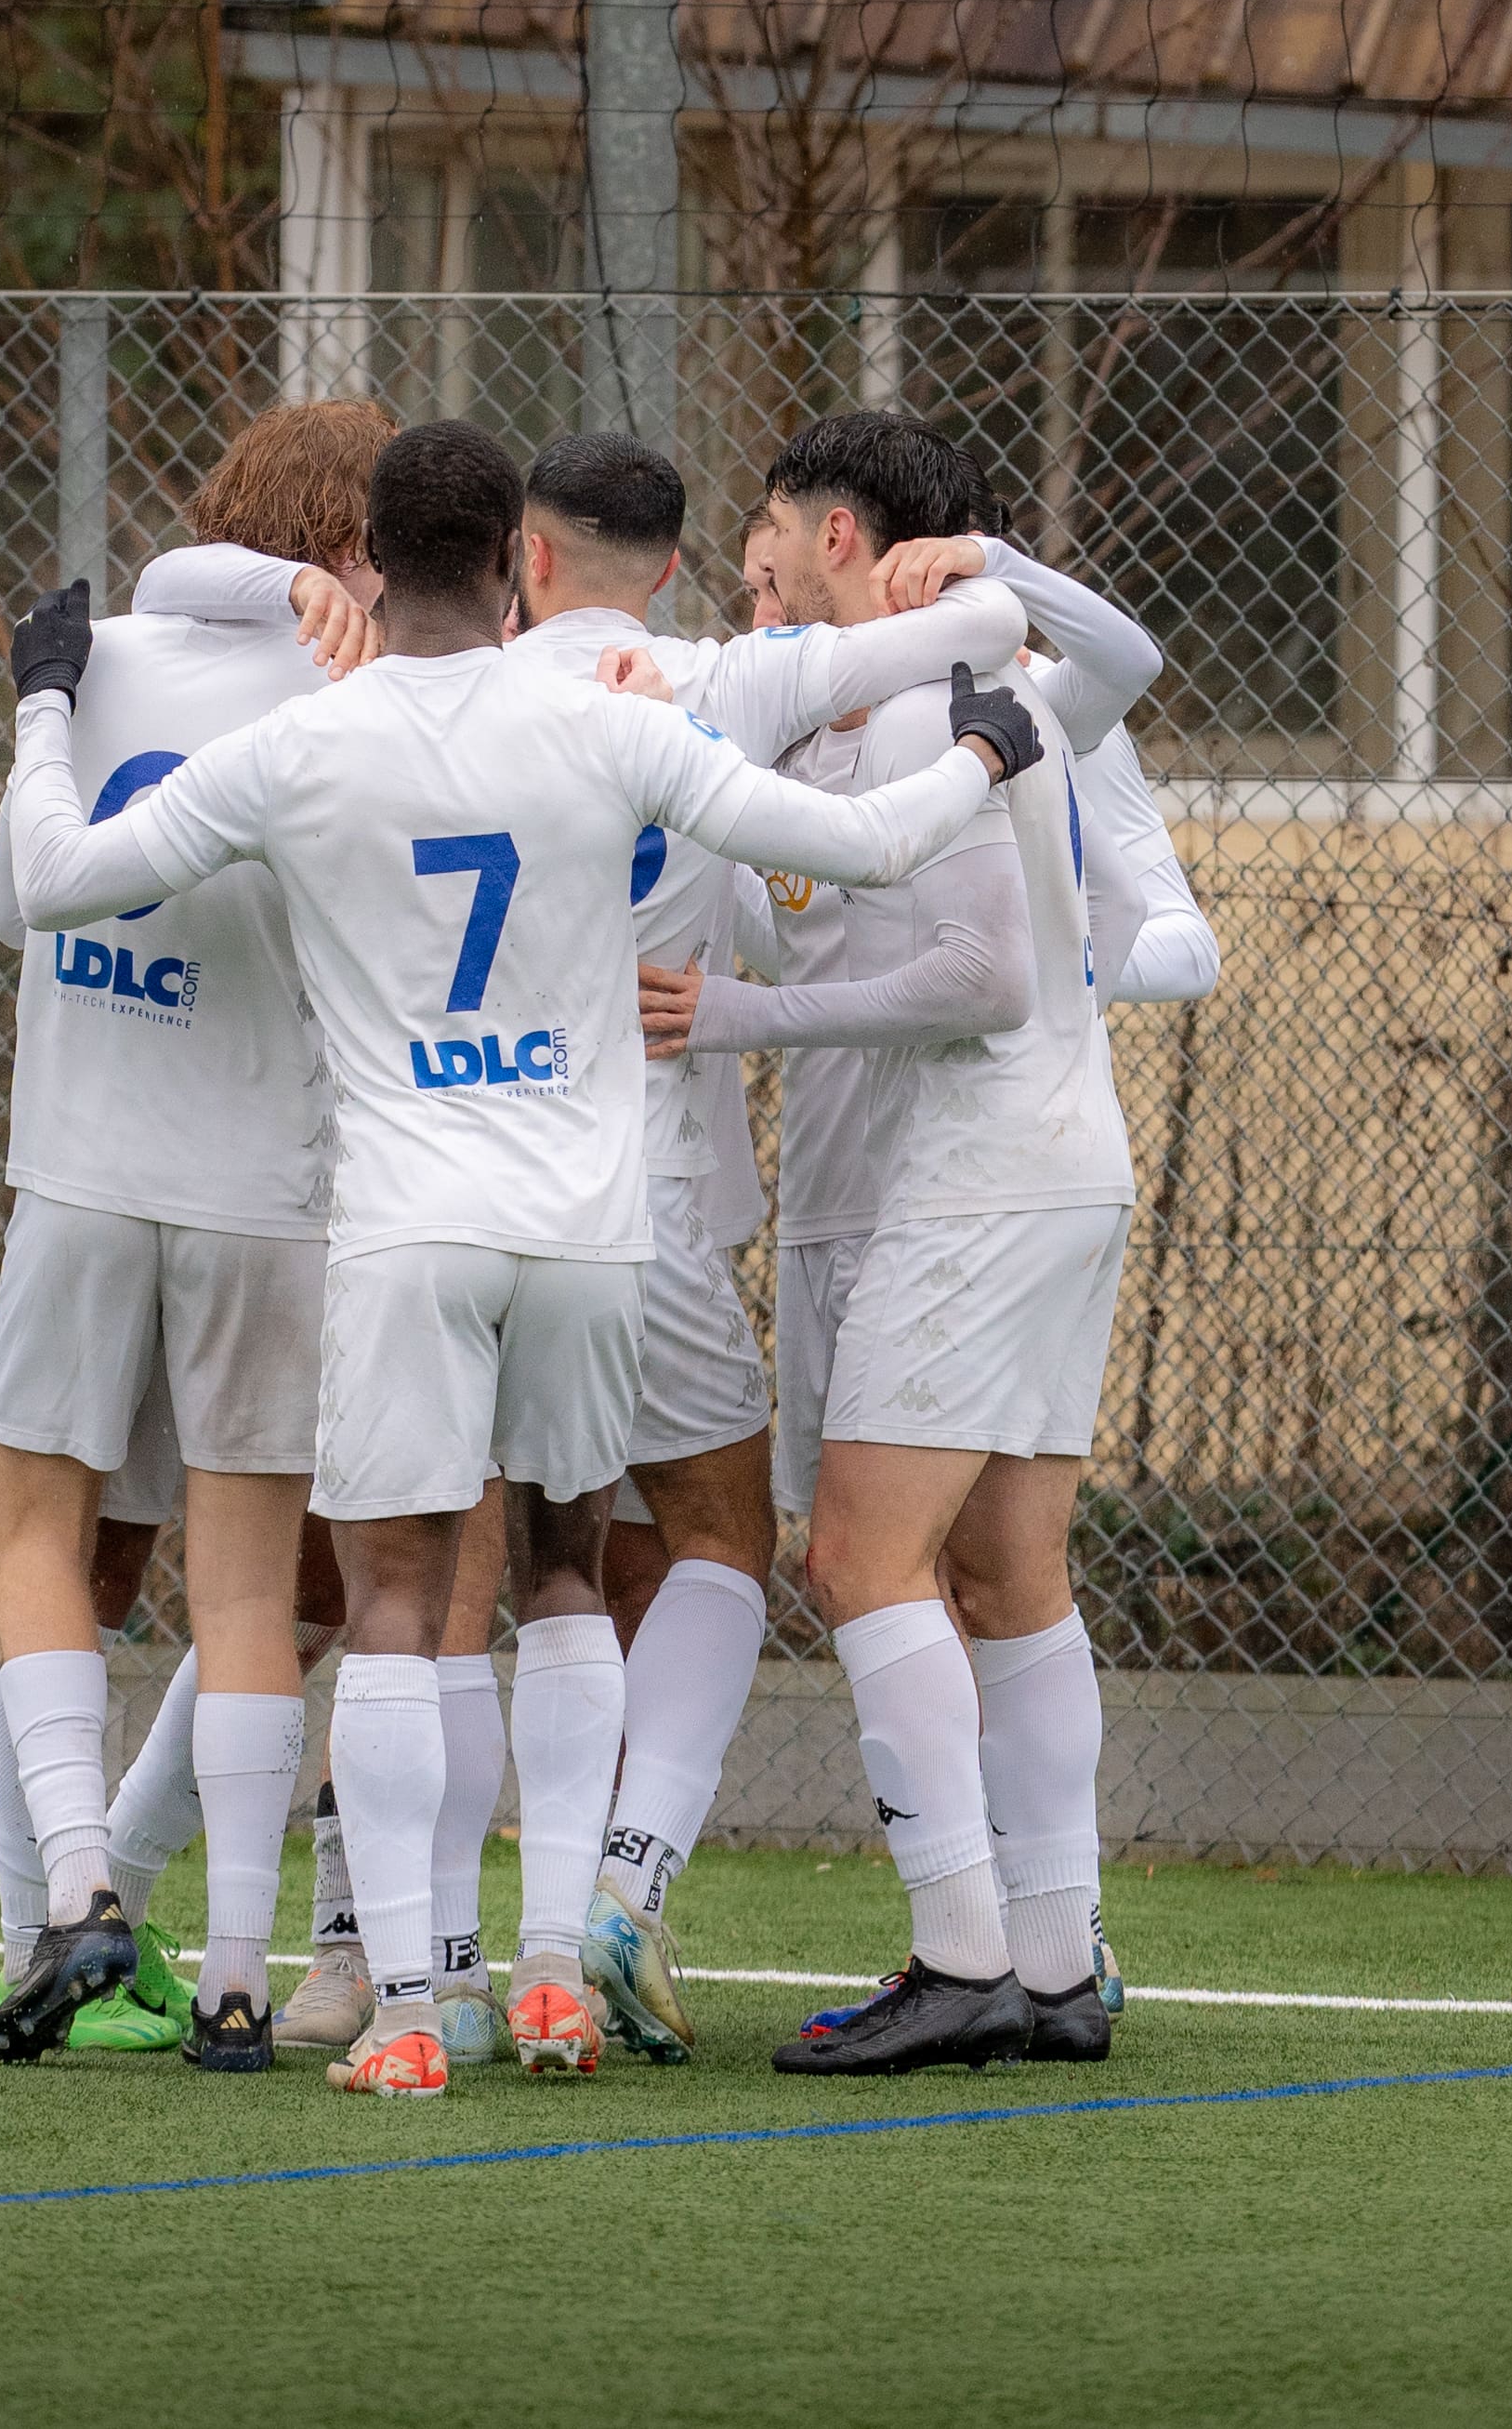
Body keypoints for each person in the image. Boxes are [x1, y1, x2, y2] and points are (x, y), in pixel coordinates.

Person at [0, 417, 1042, 2096]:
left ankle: (409, 2004)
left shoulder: (307, 745)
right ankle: (556, 1966)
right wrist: (983, 756)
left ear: (378, 572)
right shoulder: (602, 717)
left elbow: (53, 880)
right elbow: (861, 846)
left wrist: (50, 703)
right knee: (569, 1583)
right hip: (588, 1228)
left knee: (406, 1604)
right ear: (510, 572)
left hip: (408, 1230)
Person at [638, 411, 1166, 2073]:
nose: (751, 571)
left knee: (857, 1561)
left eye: (769, 536)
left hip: (983, 1182)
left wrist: (740, 1014)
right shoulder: (835, 715)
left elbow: (981, 974)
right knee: (1006, 1576)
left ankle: (960, 1955)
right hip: (1008, 1181)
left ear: (844, 533)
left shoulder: (950, 700)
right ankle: (1058, 1959)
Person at [0, 399, 387, 2074]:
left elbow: (25, 896)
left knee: (35, 1541)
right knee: (244, 1593)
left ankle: (77, 1896)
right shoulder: (349, 688)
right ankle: (229, 1979)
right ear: (349, 545)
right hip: (267, 1193)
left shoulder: (100, 659)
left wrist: (43, 707)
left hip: (79, 1169)